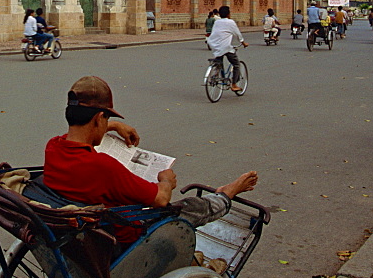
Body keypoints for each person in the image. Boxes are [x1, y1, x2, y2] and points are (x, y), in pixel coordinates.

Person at [44, 75, 258, 245]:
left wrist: (115, 126)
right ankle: (225, 195)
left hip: (77, 237)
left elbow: (80, 131)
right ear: (99, 118)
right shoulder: (102, 166)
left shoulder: (54, 146)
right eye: (107, 118)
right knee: (188, 207)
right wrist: (165, 180)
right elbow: (160, 199)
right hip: (126, 240)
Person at [207, 5, 247, 91]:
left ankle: (215, 75)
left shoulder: (217, 22)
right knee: (236, 64)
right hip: (226, 47)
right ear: (228, 14)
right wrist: (243, 43)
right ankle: (234, 84)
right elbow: (238, 34)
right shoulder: (230, 22)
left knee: (219, 61)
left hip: (215, 45)